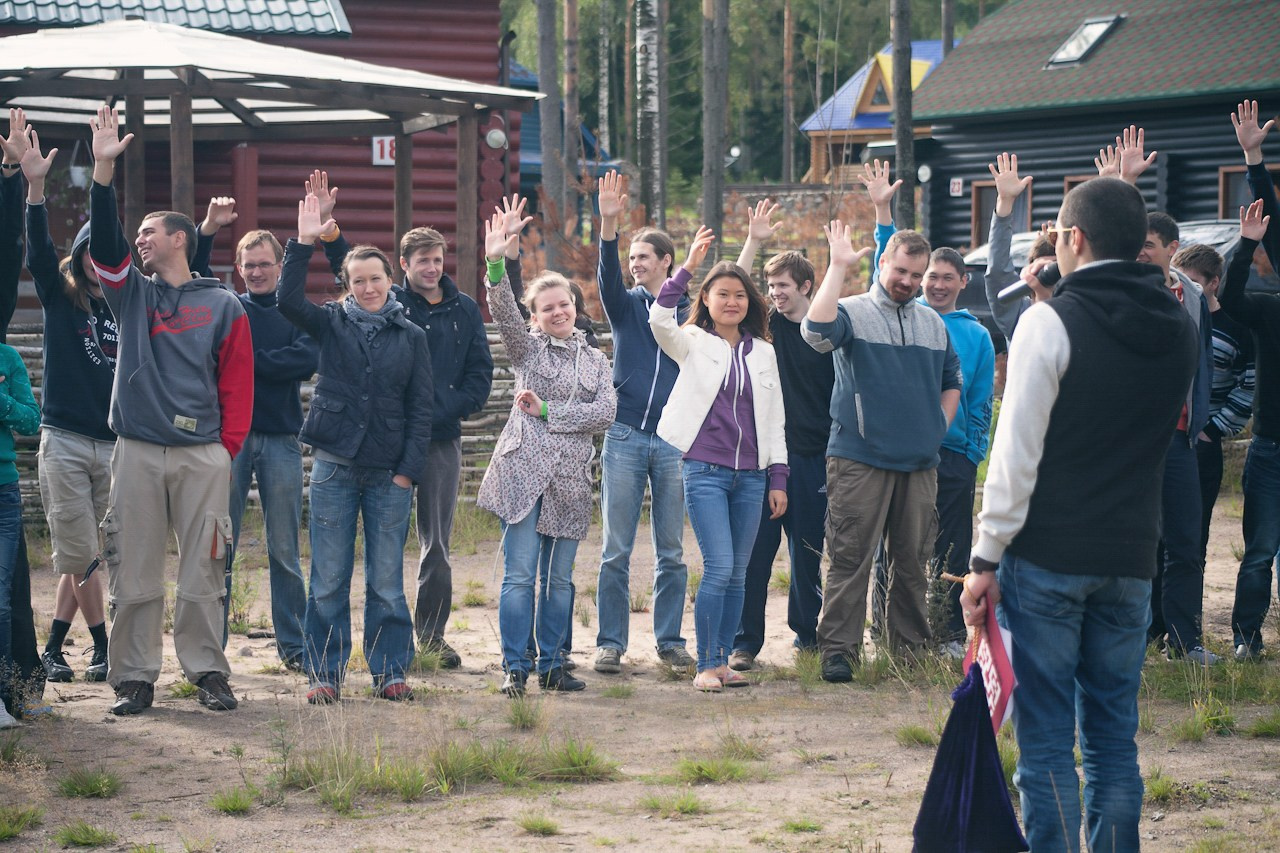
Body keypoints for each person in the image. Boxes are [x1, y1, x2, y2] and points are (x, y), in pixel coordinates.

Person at [962, 175, 1196, 853]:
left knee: (1044, 743)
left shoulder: (1050, 320)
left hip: (1051, 557)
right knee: (1112, 739)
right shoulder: (1178, 325)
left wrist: (983, 558)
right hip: (1130, 558)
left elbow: (1015, 454)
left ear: (1074, 237)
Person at [87, 106, 254, 716]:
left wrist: (225, 450)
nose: (141, 239)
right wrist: (103, 172)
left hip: (203, 455)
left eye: (152, 231)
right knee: (133, 567)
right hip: (136, 450)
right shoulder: (131, 292)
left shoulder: (224, 305)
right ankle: (134, 678)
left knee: (205, 570)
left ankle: (208, 672)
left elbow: (238, 384)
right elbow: (105, 243)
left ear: (180, 237)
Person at [279, 192, 433, 705]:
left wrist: (408, 472)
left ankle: (390, 671)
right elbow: (287, 301)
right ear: (346, 284)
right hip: (334, 469)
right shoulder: (330, 322)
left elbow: (421, 408)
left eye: (376, 277)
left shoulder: (410, 335)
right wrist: (303, 243)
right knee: (327, 579)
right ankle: (324, 673)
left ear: (391, 280)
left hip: (389, 475)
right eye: (357, 279)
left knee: (387, 581)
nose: (367, 287)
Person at [804, 208, 962, 681]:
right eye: (901, 271)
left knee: (913, 562)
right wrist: (836, 267)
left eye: (917, 275)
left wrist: (938, 424)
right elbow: (814, 334)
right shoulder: (851, 311)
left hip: (919, 462)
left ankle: (910, 652)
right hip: (859, 458)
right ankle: (839, 652)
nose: (909, 281)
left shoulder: (933, 323)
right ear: (883, 265)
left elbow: (951, 378)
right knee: (850, 557)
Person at [476, 207, 616, 697]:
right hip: (522, 474)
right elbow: (504, 314)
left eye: (565, 304)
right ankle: (516, 667)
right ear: (535, 318)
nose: (558, 312)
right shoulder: (529, 349)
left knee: (558, 579)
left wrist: (549, 412)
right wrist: (496, 263)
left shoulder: (597, 359)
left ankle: (554, 664)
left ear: (575, 306)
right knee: (519, 576)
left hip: (571, 480)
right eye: (547, 308)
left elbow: (605, 414)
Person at [648, 226, 788, 691]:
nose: (732, 302)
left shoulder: (764, 351)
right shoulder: (691, 341)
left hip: (752, 477)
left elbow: (774, 421)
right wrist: (687, 264)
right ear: (706, 299)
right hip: (704, 470)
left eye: (740, 295)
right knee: (721, 567)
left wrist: (778, 479)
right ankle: (706, 665)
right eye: (722, 294)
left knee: (741, 574)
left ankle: (723, 661)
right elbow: (658, 319)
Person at [13, 117, 116, 686]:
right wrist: (35, 189)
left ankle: (54, 648)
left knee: (93, 553)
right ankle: (103, 647)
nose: (96, 265)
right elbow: (37, 249)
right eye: (88, 256)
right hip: (69, 441)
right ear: (77, 259)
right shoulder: (60, 300)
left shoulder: (128, 307)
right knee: (81, 553)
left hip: (117, 443)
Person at [592, 170, 694, 675]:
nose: (635, 266)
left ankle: (670, 641)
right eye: (631, 258)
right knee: (616, 549)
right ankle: (610, 643)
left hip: (675, 442)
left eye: (643, 258)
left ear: (666, 262)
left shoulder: (691, 314)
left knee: (672, 550)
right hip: (626, 435)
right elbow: (606, 277)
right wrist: (609, 226)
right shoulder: (625, 307)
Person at [728, 201, 831, 671]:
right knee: (754, 556)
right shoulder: (763, 329)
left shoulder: (826, 333)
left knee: (807, 553)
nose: (774, 294)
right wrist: (754, 240)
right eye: (770, 288)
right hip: (764, 459)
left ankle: (807, 636)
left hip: (812, 459)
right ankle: (746, 641)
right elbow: (728, 289)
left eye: (783, 287)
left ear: (806, 287)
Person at [390, 213, 493, 670]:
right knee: (387, 539)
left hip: (440, 439)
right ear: (404, 264)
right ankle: (388, 636)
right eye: (422, 261)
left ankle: (431, 636)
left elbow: (480, 376)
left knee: (436, 544)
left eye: (436, 260)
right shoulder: (389, 304)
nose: (431, 268)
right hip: (389, 439)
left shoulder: (464, 309)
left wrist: (443, 409)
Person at [1223, 100, 1280, 662]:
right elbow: (1231, 298)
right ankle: (1246, 637)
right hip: (1271, 448)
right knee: (1260, 549)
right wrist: (1254, 158)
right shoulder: (1271, 310)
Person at [1171, 242, 1254, 570]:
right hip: (1166, 436)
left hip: (1203, 443)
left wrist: (1211, 430)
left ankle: (1184, 617)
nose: (1183, 288)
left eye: (1192, 282)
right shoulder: (1170, 317)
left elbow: (1247, 386)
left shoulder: (1236, 328)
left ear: (1213, 283)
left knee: (1194, 533)